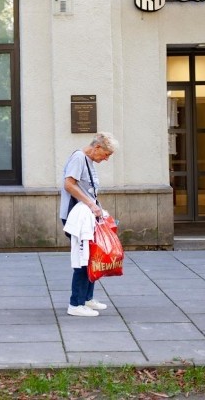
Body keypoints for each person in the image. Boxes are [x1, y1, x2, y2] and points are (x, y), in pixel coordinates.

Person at [59, 131, 117, 317]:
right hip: (77, 217)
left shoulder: (88, 160)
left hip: (85, 215)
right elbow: (69, 184)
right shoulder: (79, 158)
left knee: (92, 256)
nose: (106, 159)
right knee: (83, 258)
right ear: (97, 147)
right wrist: (91, 204)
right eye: (106, 155)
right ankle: (75, 304)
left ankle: (86, 298)